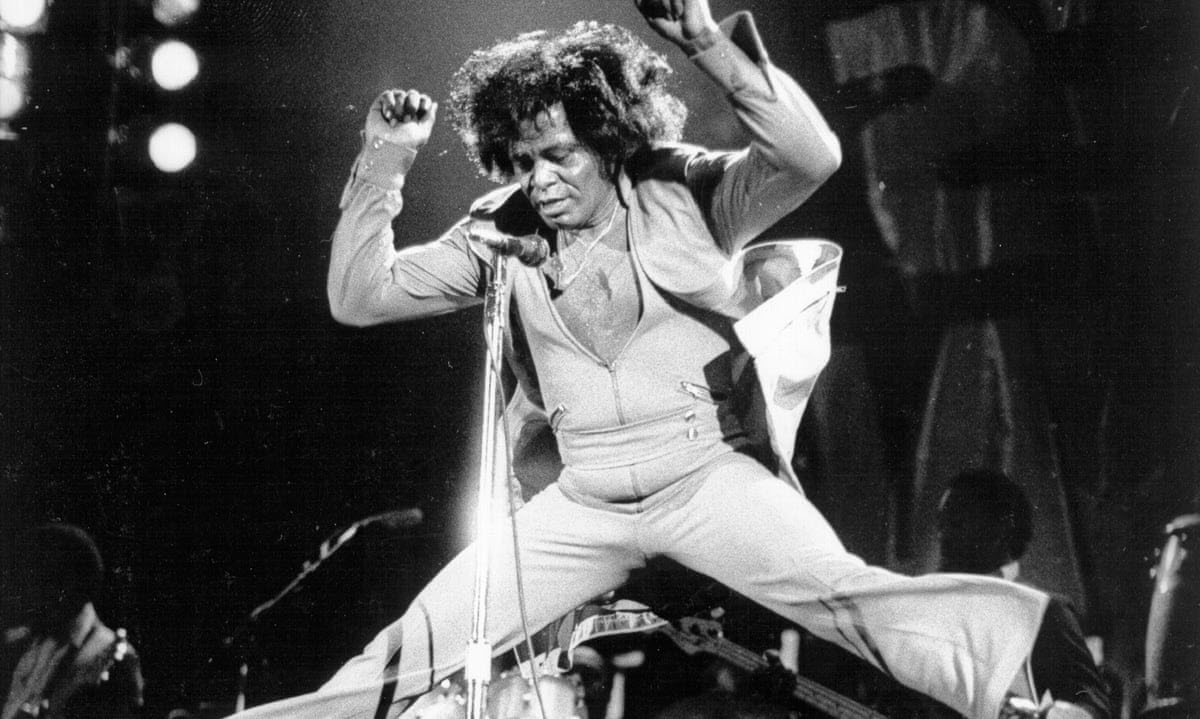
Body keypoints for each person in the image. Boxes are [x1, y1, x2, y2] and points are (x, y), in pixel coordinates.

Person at [236, 1, 1057, 717]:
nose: (540, 180)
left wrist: (706, 41)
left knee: (847, 598)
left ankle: (1036, 682)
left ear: (608, 140)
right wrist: (385, 159)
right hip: (584, 499)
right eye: (522, 160)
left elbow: (813, 158)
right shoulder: (501, 230)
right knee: (409, 645)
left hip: (706, 477)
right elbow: (360, 296)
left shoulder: (683, 190)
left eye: (560, 154)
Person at [937, 469, 1113, 719]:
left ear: (1000, 529)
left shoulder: (1043, 611)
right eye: (941, 522)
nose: (942, 535)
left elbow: (1090, 702)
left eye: (957, 522)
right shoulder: (931, 604)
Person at [1, 523, 144, 719]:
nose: (31, 591)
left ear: (74, 581)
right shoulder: (27, 642)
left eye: (45, 578)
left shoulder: (114, 656)